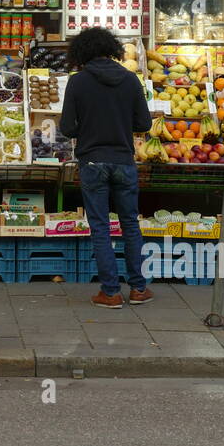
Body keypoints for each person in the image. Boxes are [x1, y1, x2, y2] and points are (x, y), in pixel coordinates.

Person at [58, 27, 154, 308]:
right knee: (129, 225)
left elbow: (66, 127)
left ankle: (110, 293)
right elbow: (144, 124)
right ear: (112, 49)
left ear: (81, 52)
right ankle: (138, 289)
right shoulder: (130, 80)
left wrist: (87, 126)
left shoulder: (78, 82)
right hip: (124, 161)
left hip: (92, 161)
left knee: (100, 227)